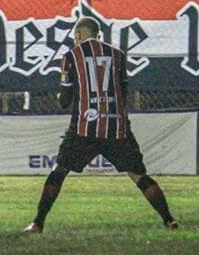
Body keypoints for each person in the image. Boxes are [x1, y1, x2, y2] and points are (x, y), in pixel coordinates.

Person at [24, 17, 178, 233]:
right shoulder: (118, 55)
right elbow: (123, 93)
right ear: (98, 34)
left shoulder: (71, 56)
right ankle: (169, 219)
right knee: (138, 175)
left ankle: (38, 222)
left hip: (84, 128)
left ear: (78, 35)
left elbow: (64, 101)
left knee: (59, 171)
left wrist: (65, 94)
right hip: (117, 128)